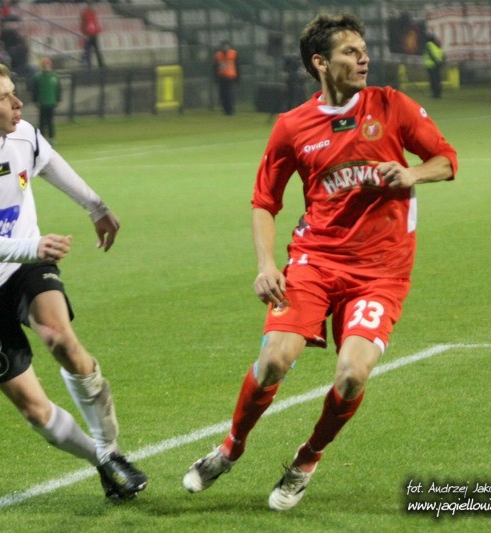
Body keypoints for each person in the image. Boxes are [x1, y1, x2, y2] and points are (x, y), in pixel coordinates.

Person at [183, 13, 457, 511]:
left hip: (381, 271)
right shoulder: (292, 126)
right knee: (273, 361)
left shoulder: (391, 106)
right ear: (320, 63)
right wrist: (266, 265)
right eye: (351, 51)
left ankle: (306, 459)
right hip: (315, 260)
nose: (364, 58)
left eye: (364, 49)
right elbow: (264, 201)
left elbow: (446, 160)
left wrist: (413, 174)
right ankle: (229, 449)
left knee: (352, 375)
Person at [0, 60, 147, 501]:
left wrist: (96, 207)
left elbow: (52, 164)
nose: (18, 103)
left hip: (22, 268)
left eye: (14, 91)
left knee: (61, 339)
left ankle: (111, 449)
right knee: (35, 411)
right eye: (4, 97)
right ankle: (101, 461)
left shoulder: (22, 134)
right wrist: (33, 247)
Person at [32, 57, 60, 142]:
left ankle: (51, 138)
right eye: (45, 65)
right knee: (42, 122)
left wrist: (57, 99)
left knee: (50, 121)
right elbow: (35, 90)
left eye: (48, 64)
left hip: (51, 102)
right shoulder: (38, 77)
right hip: (42, 102)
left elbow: (58, 89)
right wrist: (35, 100)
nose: (47, 66)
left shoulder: (54, 76)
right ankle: (42, 138)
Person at [214, 40, 238, 115]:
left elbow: (237, 66)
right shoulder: (218, 55)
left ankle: (231, 110)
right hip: (222, 77)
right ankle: (225, 110)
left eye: (226, 46)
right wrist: (216, 77)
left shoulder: (233, 53)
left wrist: (237, 77)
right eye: (224, 46)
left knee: (229, 94)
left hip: (230, 77)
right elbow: (215, 67)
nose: (225, 48)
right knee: (223, 94)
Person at [80, 0, 104, 69]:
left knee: (96, 50)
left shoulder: (93, 13)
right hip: (89, 34)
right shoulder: (85, 14)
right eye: (89, 5)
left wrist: (98, 30)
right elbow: (83, 24)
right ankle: (90, 65)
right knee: (89, 51)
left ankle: (100, 64)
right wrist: (84, 33)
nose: (90, 6)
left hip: (94, 34)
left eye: (91, 5)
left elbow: (96, 23)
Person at [424, 34, 445, 99]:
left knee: (433, 80)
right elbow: (442, 54)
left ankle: (435, 93)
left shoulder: (428, 44)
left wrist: (436, 62)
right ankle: (438, 93)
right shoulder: (438, 45)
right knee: (438, 80)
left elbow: (431, 54)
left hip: (431, 65)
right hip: (437, 65)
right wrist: (441, 63)